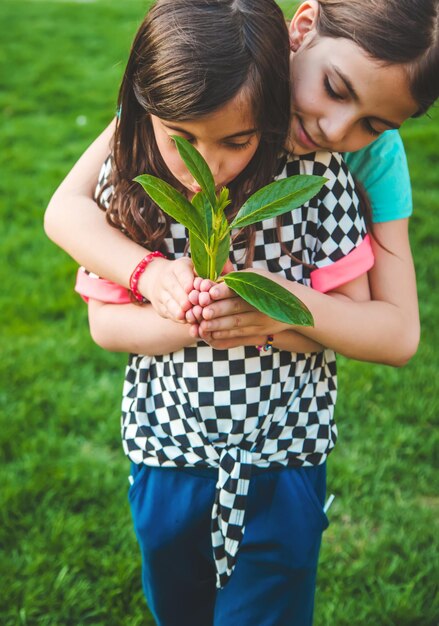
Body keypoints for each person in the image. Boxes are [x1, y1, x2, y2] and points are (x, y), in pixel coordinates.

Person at [43, 1, 438, 625]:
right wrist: (155, 281)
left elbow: (395, 331)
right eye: (335, 88)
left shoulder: (340, 172)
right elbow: (67, 211)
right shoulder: (194, 93)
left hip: (278, 452)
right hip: (172, 449)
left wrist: (276, 306)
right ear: (300, 30)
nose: (338, 129)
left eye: (375, 124)